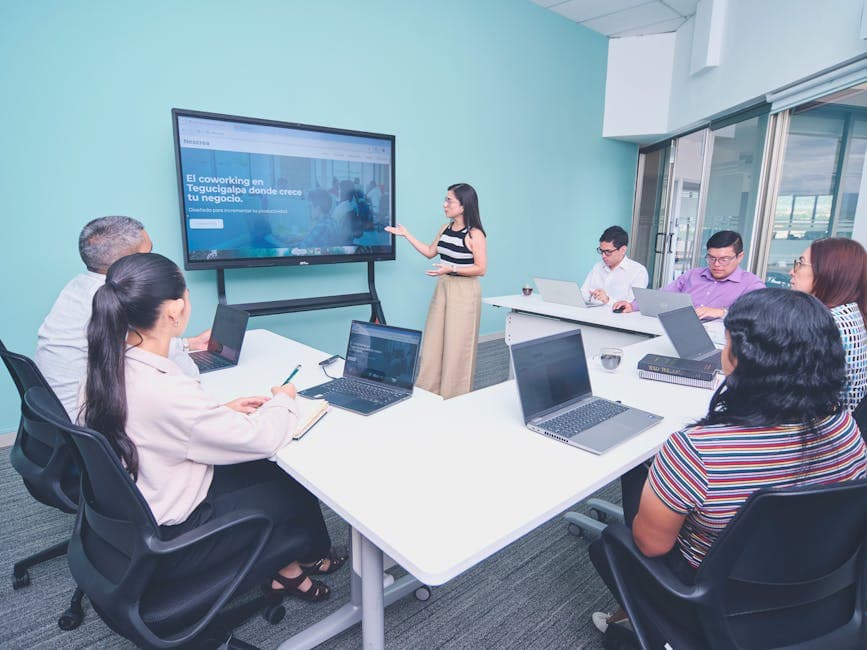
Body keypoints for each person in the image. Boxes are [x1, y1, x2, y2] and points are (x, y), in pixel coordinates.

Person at [590, 288, 867, 637]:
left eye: (727, 344)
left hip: (711, 604)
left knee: (607, 544)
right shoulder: (845, 427)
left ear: (743, 359)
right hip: (820, 596)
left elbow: (650, 545)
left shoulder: (698, 452)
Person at [81, 252, 346, 601]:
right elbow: (263, 438)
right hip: (176, 531)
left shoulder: (107, 363)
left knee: (261, 470)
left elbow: (155, 424)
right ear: (175, 310)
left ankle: (290, 570)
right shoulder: (164, 390)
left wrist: (217, 412)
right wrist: (284, 398)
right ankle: (306, 560)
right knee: (288, 480)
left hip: (142, 502)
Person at [35, 216, 210, 419]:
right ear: (127, 264)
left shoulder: (81, 287)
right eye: (148, 254)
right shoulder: (119, 299)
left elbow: (130, 342)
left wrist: (189, 344)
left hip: (59, 416)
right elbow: (186, 377)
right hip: (89, 423)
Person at [385, 183, 487, 399]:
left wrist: (453, 268)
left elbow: (481, 268)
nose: (444, 204)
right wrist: (406, 235)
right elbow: (431, 252)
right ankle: (427, 393)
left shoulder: (475, 234)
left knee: (458, 345)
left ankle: (455, 397)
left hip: (465, 291)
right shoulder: (445, 228)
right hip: (443, 287)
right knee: (434, 342)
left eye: (449, 200)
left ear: (463, 205)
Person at [789, 237, 867, 412]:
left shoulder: (827, 326)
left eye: (800, 264)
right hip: (840, 426)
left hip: (821, 430)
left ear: (828, 272)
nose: (791, 271)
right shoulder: (849, 313)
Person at [613, 230, 765, 319]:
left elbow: (759, 315)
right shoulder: (693, 275)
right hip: (677, 333)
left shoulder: (751, 284)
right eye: (711, 258)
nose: (716, 264)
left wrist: (721, 312)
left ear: (740, 256)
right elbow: (663, 296)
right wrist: (633, 305)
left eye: (724, 259)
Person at [580, 225, 648, 306]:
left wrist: (607, 300)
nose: (603, 256)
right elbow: (583, 294)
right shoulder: (598, 267)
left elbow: (630, 306)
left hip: (618, 318)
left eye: (608, 252)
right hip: (590, 315)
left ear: (623, 250)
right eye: (601, 251)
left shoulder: (638, 272)